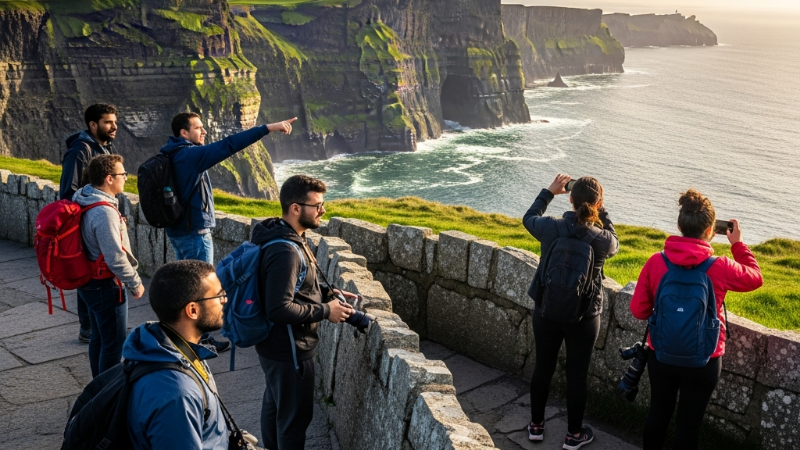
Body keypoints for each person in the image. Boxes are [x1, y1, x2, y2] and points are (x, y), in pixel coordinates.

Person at [629, 189, 762, 450]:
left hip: (661, 354)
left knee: (658, 414)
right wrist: (737, 244)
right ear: (711, 230)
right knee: (688, 426)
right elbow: (755, 277)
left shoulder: (656, 261)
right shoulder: (721, 266)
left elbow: (639, 311)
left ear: (679, 226)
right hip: (705, 359)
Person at [161, 112, 297, 353]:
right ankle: (199, 340)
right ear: (184, 133)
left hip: (179, 230)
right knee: (200, 289)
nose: (204, 131)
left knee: (187, 286)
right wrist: (268, 127)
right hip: (195, 234)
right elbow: (229, 145)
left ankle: (184, 336)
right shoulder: (190, 155)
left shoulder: (171, 153)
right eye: (198, 128)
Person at [251, 174, 356, 450]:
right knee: (293, 421)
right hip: (290, 350)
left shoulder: (286, 236)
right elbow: (279, 308)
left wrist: (327, 293)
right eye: (317, 205)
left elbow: (296, 285)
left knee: (275, 407)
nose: (323, 210)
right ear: (295, 208)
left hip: (276, 347)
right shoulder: (285, 250)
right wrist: (326, 310)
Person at [523, 174, 619, 450]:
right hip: (585, 316)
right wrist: (601, 209)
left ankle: (536, 426)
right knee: (577, 374)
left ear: (571, 199)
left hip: (547, 308)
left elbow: (528, 218)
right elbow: (615, 241)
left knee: (543, 367)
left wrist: (549, 192)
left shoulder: (550, 227)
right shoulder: (602, 239)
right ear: (597, 204)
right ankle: (574, 435)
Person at [123, 260, 230, 449]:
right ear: (192, 310)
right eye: (219, 295)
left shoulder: (172, 348)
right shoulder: (177, 394)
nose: (225, 300)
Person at [73, 154, 144, 377]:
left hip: (88, 281)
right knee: (114, 344)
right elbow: (115, 257)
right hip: (104, 285)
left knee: (99, 337)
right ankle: (107, 392)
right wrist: (135, 282)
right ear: (109, 178)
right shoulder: (104, 212)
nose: (126, 177)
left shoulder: (84, 197)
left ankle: (97, 387)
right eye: (123, 174)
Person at [60, 103, 124, 344]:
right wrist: (94, 214)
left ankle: (95, 325)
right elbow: (68, 192)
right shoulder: (80, 151)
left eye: (115, 121)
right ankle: (87, 327)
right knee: (89, 273)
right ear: (93, 125)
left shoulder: (105, 147)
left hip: (105, 217)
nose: (114, 126)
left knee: (100, 272)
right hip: (90, 222)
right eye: (108, 122)